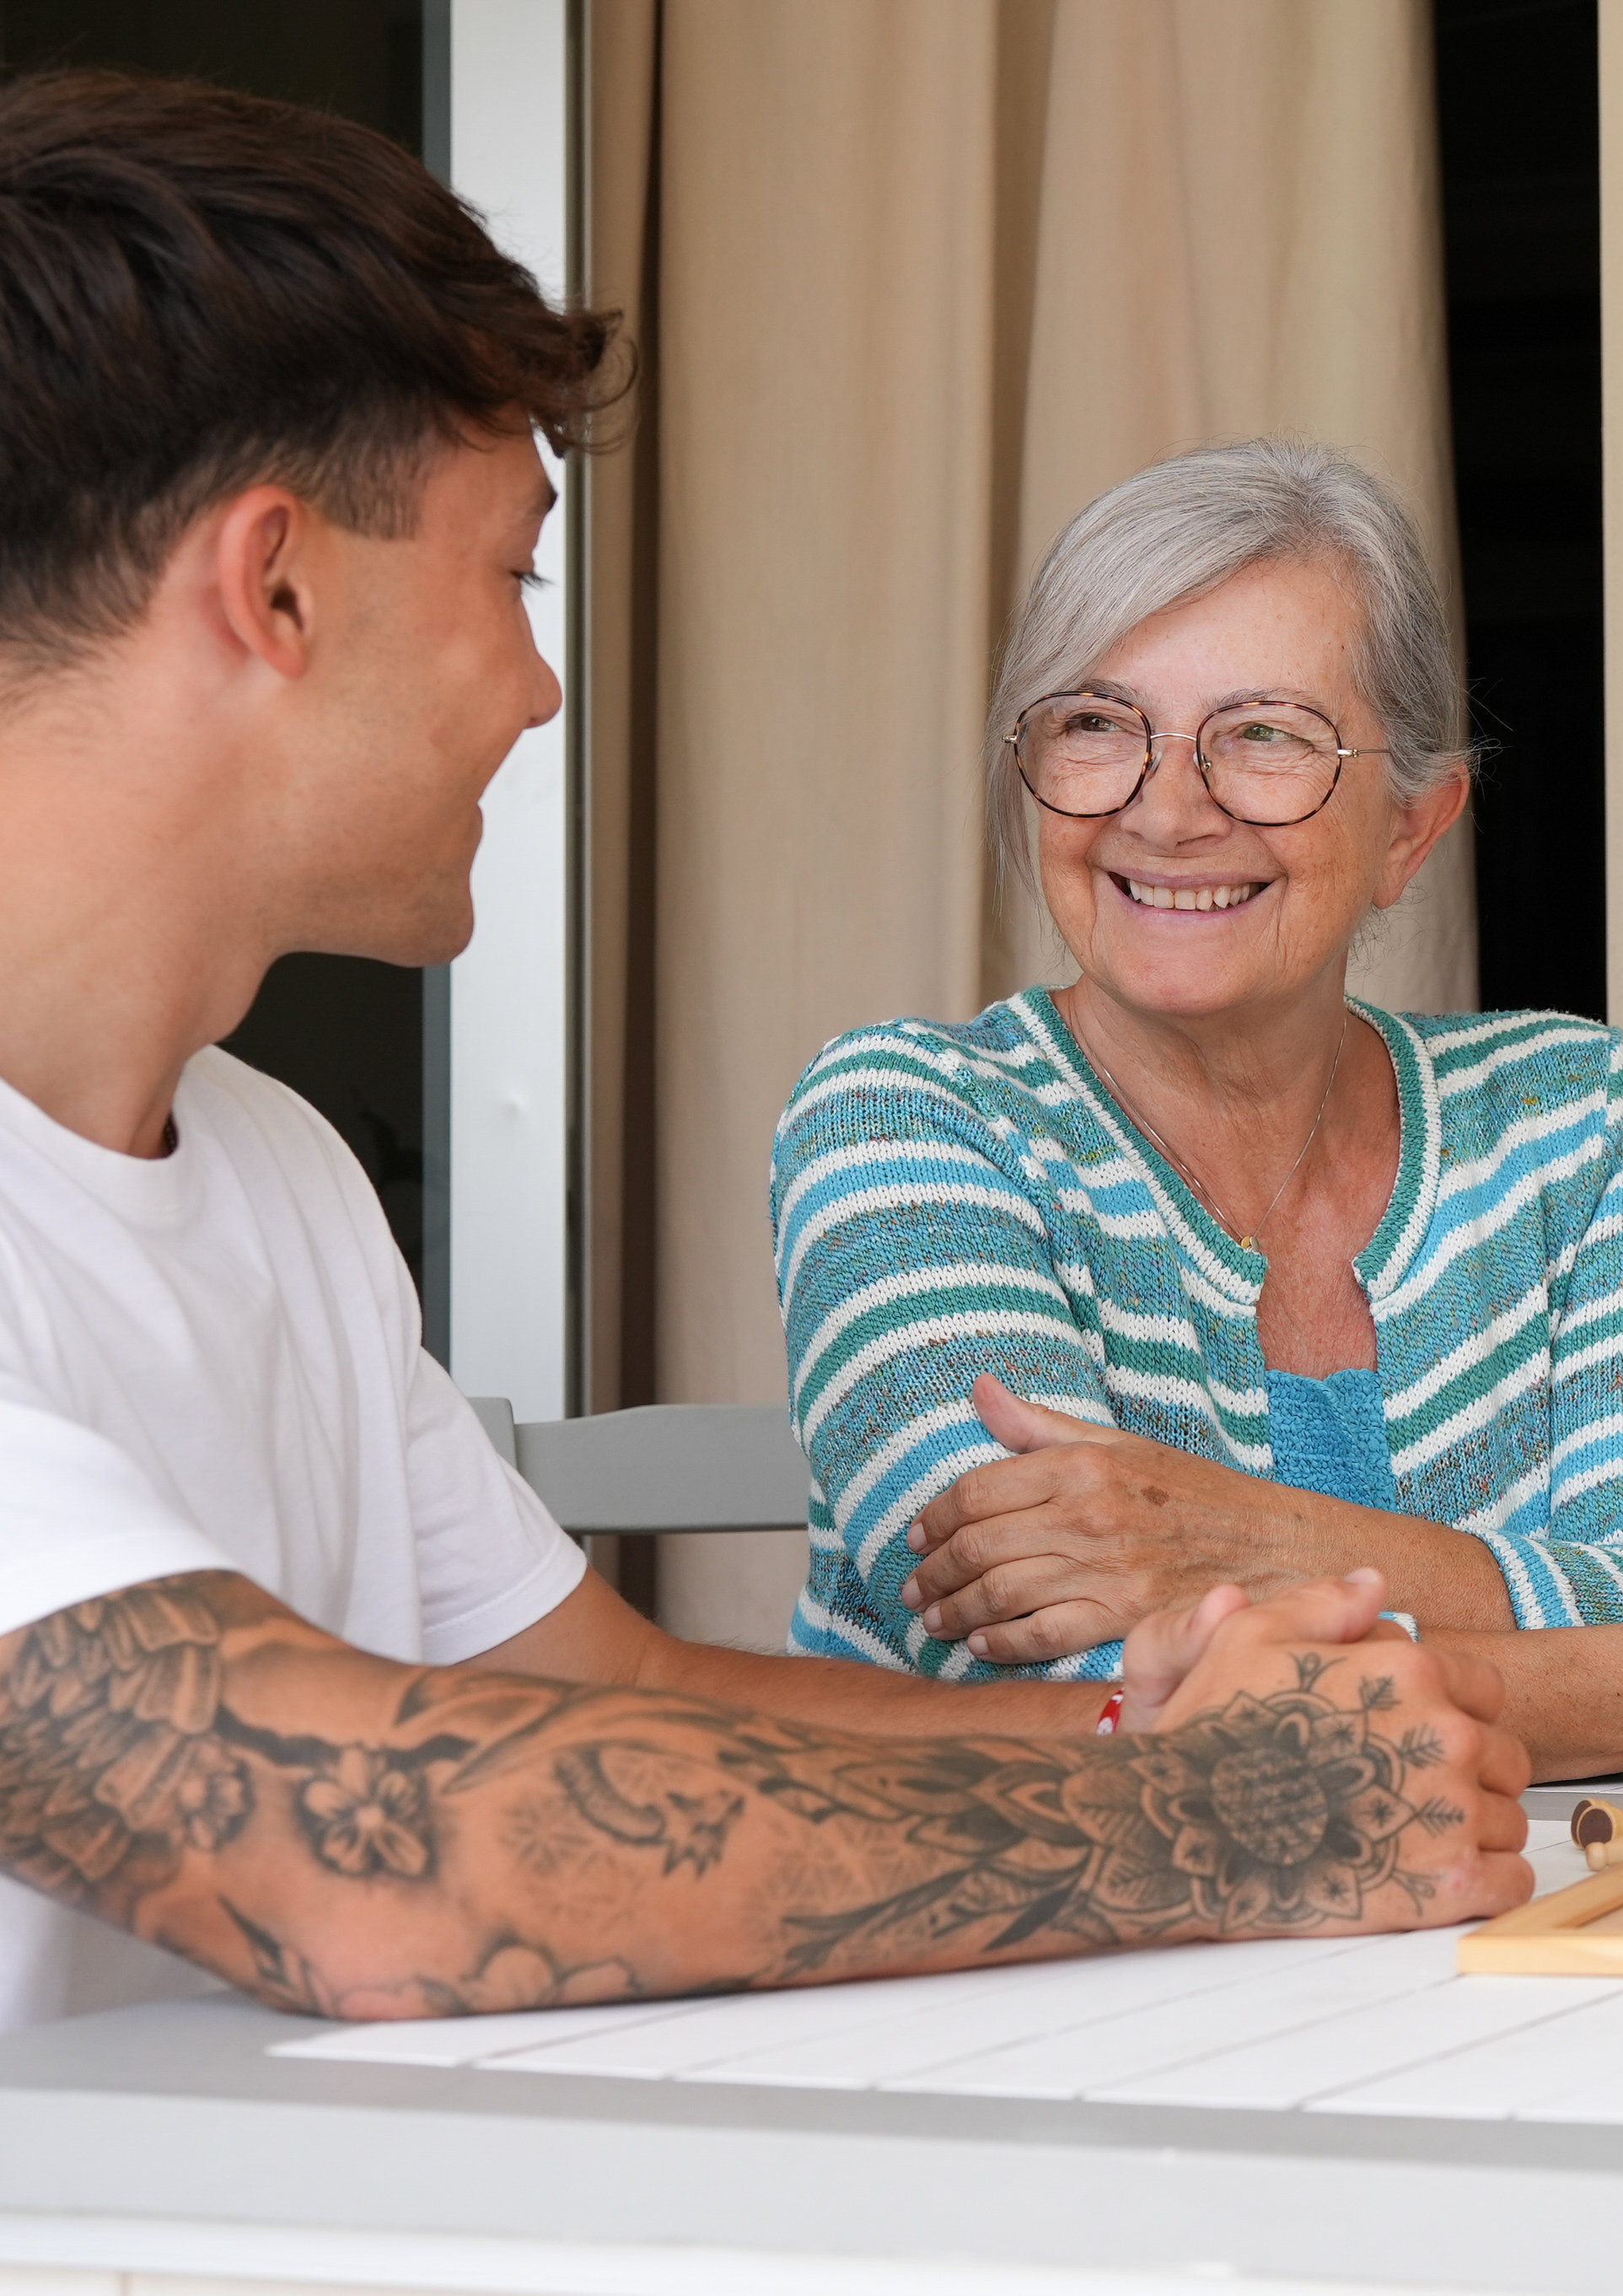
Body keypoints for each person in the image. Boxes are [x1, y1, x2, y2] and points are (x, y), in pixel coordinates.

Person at [0, 73, 1533, 2034]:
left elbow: (609, 1711)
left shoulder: (270, 1167)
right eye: (511, 577)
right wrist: (1210, 1816)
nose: (541, 687)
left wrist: (1177, 1739)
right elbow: (365, 1854)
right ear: (276, 588)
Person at [770, 440, 1623, 1783]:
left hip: (1500, 1934)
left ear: (1410, 830)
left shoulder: (1567, 1112)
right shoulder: (900, 1122)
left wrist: (1235, 1535)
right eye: (1097, 725)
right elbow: (1097, 1697)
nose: (1165, 810)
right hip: (1022, 1961)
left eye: (1264, 737)